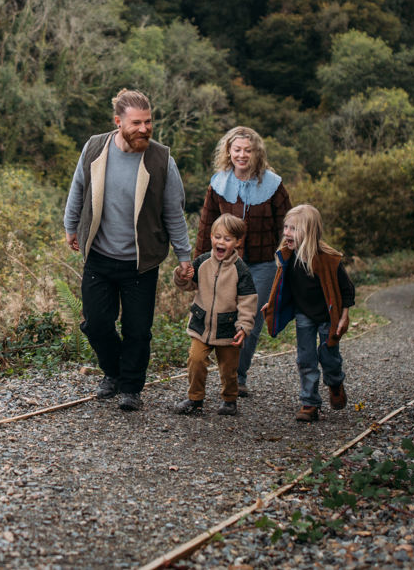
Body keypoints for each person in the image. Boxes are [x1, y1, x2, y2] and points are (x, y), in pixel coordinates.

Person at [64, 89, 193, 411]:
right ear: (118, 121)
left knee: (138, 330)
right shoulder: (95, 147)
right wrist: (70, 227)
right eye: (137, 123)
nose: (144, 129)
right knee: (96, 323)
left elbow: (174, 213)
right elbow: (78, 188)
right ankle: (113, 372)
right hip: (100, 256)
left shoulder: (162, 159)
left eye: (149, 122)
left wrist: (184, 256)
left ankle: (131, 388)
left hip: (141, 262)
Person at [194, 127, 290, 398]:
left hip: (263, 263)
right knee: (225, 315)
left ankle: (238, 376)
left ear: (257, 152)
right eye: (237, 149)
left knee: (251, 320)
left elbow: (287, 224)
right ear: (229, 152)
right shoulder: (218, 183)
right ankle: (227, 374)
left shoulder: (273, 184)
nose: (242, 155)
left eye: (248, 150)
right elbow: (206, 225)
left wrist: (289, 262)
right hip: (226, 264)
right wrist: (197, 263)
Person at [260, 204, 355, 422]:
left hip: (328, 316)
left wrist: (344, 315)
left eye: (293, 229)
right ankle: (310, 402)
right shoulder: (287, 256)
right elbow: (282, 287)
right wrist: (272, 304)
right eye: (285, 227)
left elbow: (347, 289)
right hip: (304, 314)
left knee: (328, 356)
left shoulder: (329, 259)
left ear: (309, 232)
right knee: (305, 358)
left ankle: (335, 381)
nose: (286, 233)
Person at [171, 214, 256, 416]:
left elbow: (247, 301)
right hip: (202, 326)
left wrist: (244, 327)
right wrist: (181, 276)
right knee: (196, 360)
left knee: (228, 369)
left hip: (228, 329)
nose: (221, 242)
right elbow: (188, 285)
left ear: (237, 242)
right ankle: (195, 398)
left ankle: (229, 399)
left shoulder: (240, 270)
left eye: (227, 239)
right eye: (217, 237)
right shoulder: (202, 262)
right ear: (211, 237)